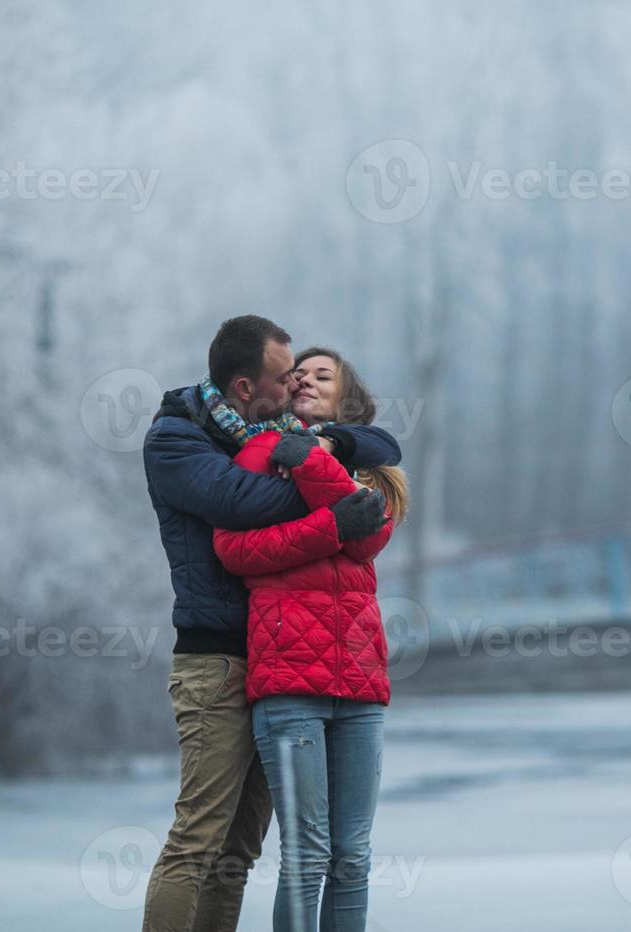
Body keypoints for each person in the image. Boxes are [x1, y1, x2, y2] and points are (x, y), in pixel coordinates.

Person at [142, 318, 401, 932]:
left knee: (239, 852)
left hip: (269, 661)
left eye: (304, 377)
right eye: (284, 376)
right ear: (242, 386)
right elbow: (241, 507)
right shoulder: (176, 441)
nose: (293, 386)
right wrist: (336, 500)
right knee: (199, 840)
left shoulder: (267, 435)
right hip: (216, 661)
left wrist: (327, 452)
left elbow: (384, 444)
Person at [212, 346, 408, 932]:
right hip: (289, 681)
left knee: (352, 856)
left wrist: (312, 457)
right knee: (308, 854)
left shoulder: (373, 471)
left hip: (360, 681)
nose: (306, 381)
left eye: (324, 375)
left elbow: (368, 539)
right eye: (298, 373)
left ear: (345, 396)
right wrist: (327, 520)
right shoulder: (258, 452)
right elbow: (234, 551)